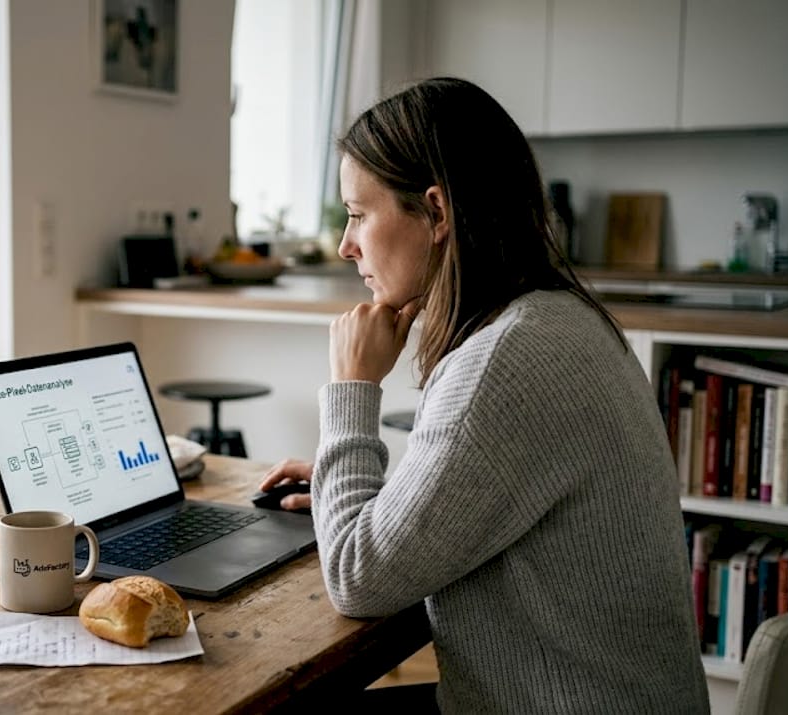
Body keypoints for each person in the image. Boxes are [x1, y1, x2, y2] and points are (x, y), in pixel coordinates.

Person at [258, 77, 709, 713]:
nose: (345, 244)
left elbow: (356, 579)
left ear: (437, 213)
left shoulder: (504, 359)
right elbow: (478, 488)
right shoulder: (552, 318)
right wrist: (364, 495)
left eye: (359, 213)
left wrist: (352, 387)